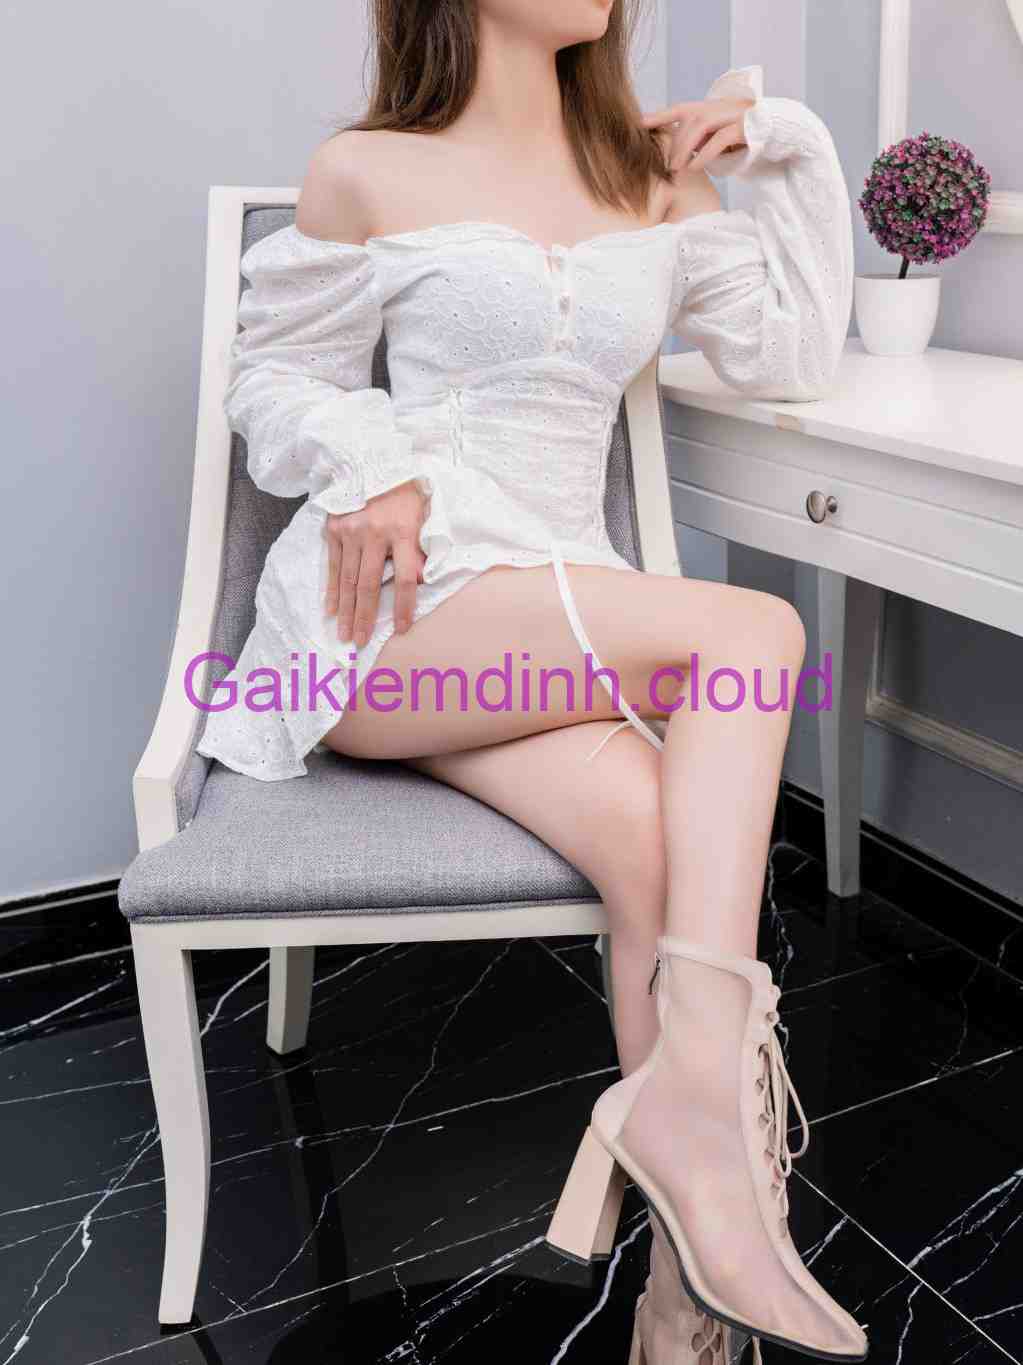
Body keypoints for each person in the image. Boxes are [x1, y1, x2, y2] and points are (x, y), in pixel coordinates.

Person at [198, 2, 866, 1360]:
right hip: (394, 625)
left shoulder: (648, 175)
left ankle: (685, 1307)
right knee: (753, 636)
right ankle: (699, 1132)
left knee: (657, 845)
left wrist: (784, 143)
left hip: (548, 629)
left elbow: (791, 355)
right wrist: (372, 461)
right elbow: (271, 382)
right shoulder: (368, 169)